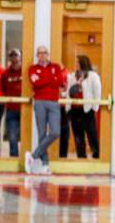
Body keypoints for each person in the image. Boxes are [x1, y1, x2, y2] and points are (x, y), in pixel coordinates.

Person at [25, 45, 64, 174]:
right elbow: (35, 83)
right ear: (37, 55)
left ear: (48, 54)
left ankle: (33, 156)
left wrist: (44, 79)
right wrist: (50, 79)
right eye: (40, 53)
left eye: (45, 53)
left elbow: (59, 82)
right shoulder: (32, 69)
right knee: (42, 133)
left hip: (53, 102)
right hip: (40, 102)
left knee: (55, 132)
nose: (42, 55)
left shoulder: (56, 67)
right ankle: (45, 164)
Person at [66, 55, 101, 159]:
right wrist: (68, 108)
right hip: (75, 110)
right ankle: (81, 158)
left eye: (77, 62)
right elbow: (68, 93)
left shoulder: (93, 76)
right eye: (75, 62)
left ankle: (96, 156)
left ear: (83, 63)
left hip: (87, 110)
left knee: (92, 135)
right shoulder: (72, 76)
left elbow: (97, 92)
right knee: (78, 137)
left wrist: (95, 108)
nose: (75, 64)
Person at [1, 49, 23, 158]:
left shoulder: (25, 71)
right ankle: (14, 157)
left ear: (20, 58)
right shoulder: (5, 73)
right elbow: (3, 88)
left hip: (25, 108)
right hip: (11, 109)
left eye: (16, 56)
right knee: (12, 136)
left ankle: (27, 158)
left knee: (28, 135)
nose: (14, 59)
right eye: (12, 56)